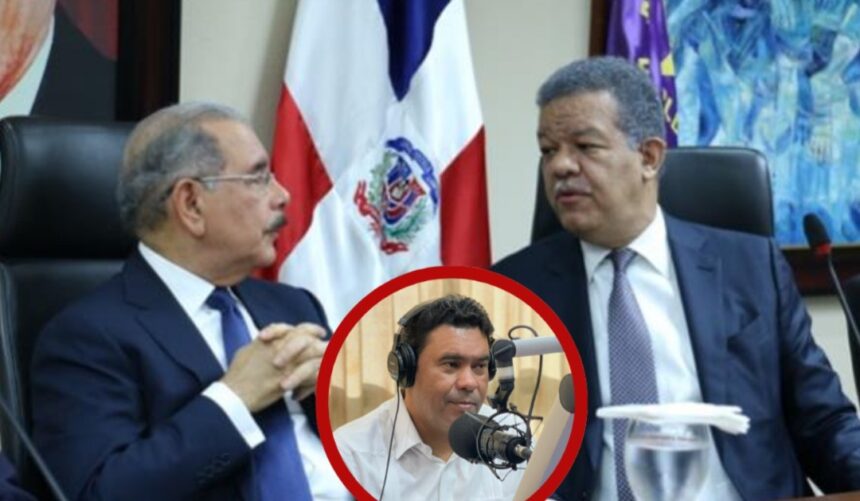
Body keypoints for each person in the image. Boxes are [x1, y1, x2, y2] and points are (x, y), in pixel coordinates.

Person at [493, 56, 860, 501]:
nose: (560, 167)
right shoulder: (514, 290)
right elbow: (501, 446)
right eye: (548, 151)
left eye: (585, 147)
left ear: (649, 157)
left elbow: (823, 420)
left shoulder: (749, 267)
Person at [30, 102, 349, 500]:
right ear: (191, 204)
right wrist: (234, 399)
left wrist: (343, 396)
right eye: (258, 177)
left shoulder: (294, 306)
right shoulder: (87, 338)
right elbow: (99, 493)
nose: (283, 195)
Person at [334, 294, 524, 500]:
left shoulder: (513, 438)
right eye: (451, 365)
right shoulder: (350, 455)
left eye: (479, 366)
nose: (469, 383)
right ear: (406, 370)